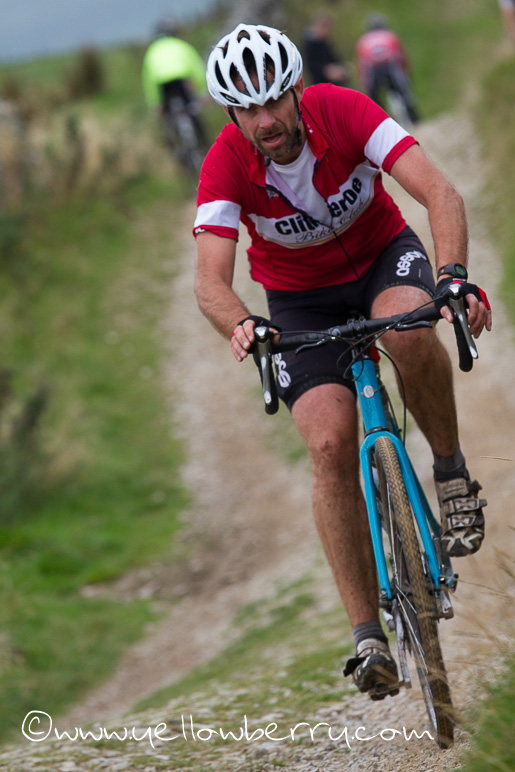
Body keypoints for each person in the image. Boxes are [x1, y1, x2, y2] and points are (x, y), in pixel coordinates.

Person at [193, 24, 491, 699]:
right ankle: (367, 637)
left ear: (297, 89)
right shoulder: (226, 163)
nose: (265, 121)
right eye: (247, 109)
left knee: (409, 334)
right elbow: (209, 279)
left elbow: (438, 192)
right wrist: (242, 323)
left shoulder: (343, 109)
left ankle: (449, 474)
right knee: (328, 444)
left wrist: (451, 276)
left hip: (383, 257)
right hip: (300, 302)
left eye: (274, 101)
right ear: (231, 113)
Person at [141, 18, 208, 147]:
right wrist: (201, 90)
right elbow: (196, 66)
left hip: (163, 84)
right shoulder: (180, 44)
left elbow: (148, 80)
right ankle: (204, 144)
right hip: (182, 80)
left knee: (167, 119)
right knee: (193, 112)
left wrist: (155, 103)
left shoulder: (151, 51)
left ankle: (174, 145)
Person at [355, 14, 419, 123]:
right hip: (390, 69)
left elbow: (360, 64)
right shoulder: (390, 35)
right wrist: (407, 72)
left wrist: (362, 83)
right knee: (404, 93)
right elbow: (402, 55)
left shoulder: (362, 41)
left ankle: (377, 121)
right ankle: (414, 118)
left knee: (373, 100)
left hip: (373, 72)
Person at [302, 12, 350, 87]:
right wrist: (326, 70)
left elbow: (335, 59)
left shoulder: (326, 43)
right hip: (319, 83)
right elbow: (311, 65)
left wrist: (341, 67)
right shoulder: (310, 44)